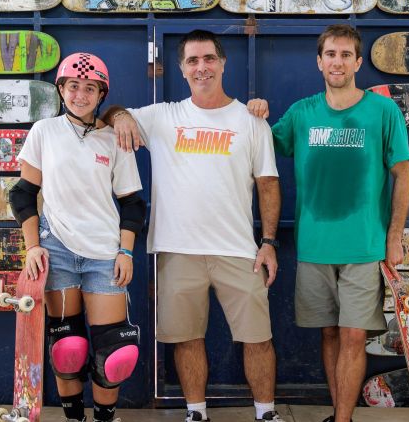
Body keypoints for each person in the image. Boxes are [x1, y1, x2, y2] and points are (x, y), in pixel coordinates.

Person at [104, 30, 283, 422]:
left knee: (258, 337)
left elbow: (268, 185)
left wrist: (268, 241)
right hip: (178, 248)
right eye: (192, 61)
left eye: (208, 59)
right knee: (186, 337)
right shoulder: (164, 115)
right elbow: (112, 112)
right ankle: (196, 412)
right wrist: (119, 117)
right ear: (183, 70)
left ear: (222, 63)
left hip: (239, 250)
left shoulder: (251, 122)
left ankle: (266, 412)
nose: (201, 67)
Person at [269, 24, 409, 422]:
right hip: (315, 246)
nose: (337, 61)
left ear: (358, 62)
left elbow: (403, 174)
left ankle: (344, 420)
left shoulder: (382, 111)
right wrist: (253, 113)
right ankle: (338, 412)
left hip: (364, 247)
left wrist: (394, 236)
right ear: (319, 62)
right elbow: (261, 144)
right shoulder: (301, 113)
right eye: (330, 54)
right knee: (329, 333)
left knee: (353, 335)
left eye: (346, 54)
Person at [9, 53, 146, 422]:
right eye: (73, 86)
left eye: (89, 88)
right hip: (57, 250)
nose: (80, 95)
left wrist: (126, 252)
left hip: (105, 254)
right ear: (61, 89)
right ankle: (74, 418)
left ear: (101, 93)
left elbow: (133, 204)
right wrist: (33, 246)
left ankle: (104, 417)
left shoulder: (113, 139)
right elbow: (22, 194)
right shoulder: (44, 132)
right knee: (67, 348)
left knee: (115, 353)